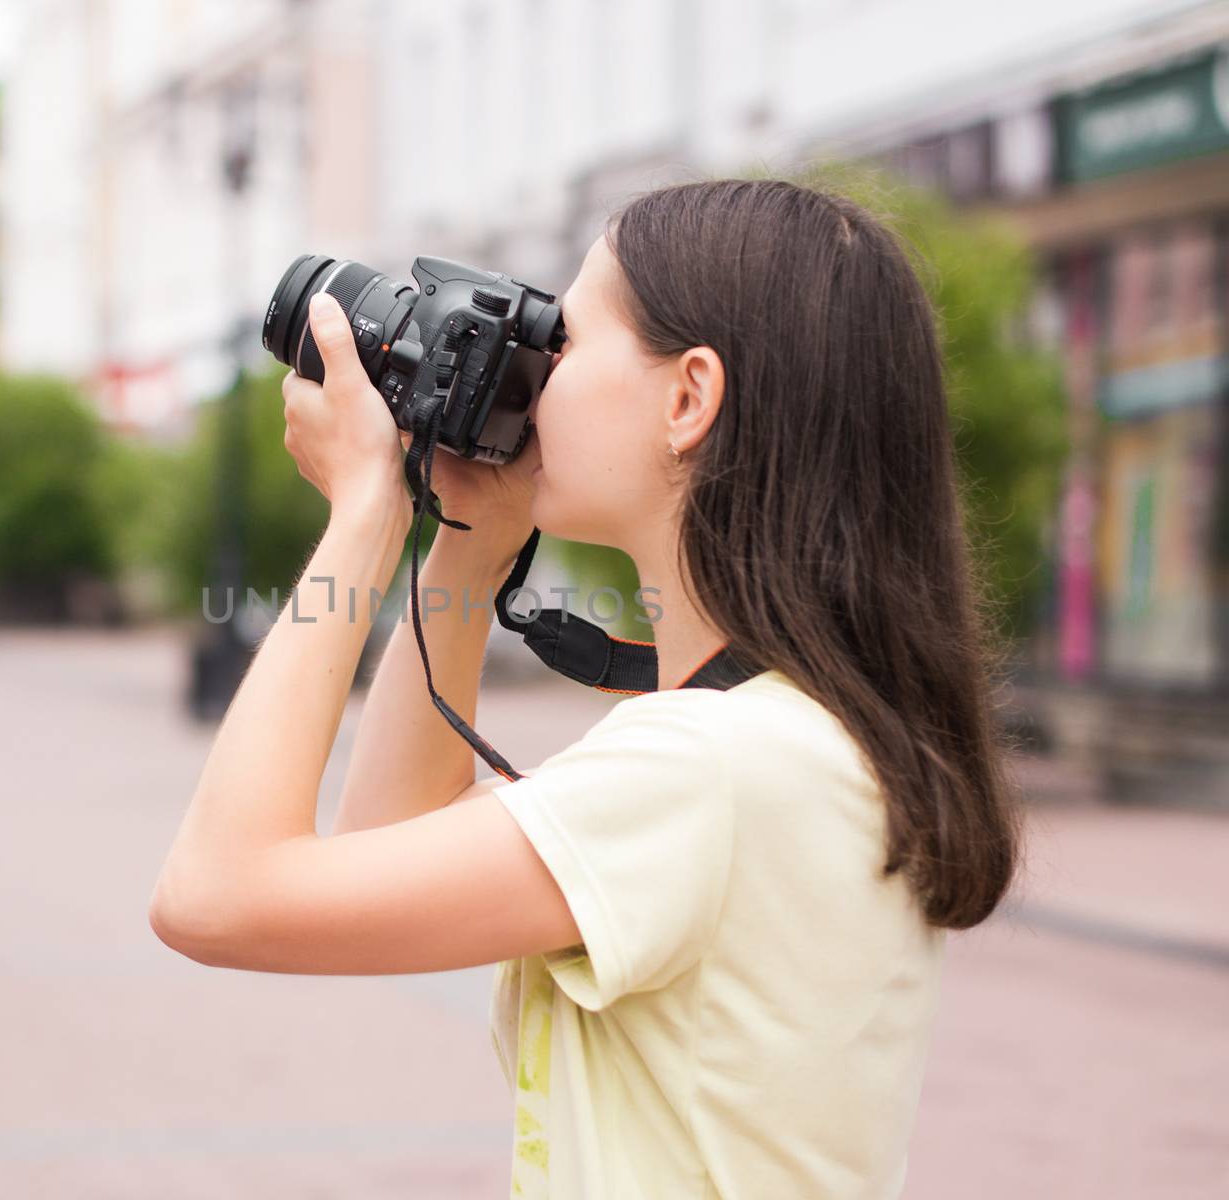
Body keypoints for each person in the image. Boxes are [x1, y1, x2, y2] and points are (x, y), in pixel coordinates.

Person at [149, 180, 1020, 1198]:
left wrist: (363, 518)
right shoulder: (782, 738)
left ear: (688, 397)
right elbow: (385, 833)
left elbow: (214, 899)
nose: (531, 375)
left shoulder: (708, 770)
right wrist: (466, 552)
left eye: (562, 339)